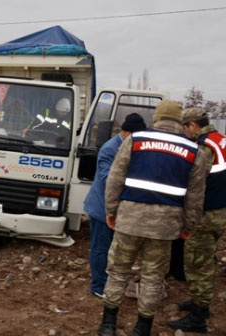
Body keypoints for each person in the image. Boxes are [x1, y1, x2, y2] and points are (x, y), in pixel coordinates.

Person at [96, 100, 207, 336]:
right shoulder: (194, 150)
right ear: (179, 120)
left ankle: (108, 325)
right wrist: (189, 226)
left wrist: (111, 211)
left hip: (129, 220)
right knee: (153, 277)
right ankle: (142, 328)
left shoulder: (134, 141)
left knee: (117, 272)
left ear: (157, 117)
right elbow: (196, 195)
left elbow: (115, 180)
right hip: (165, 226)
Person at [166, 107, 226, 333]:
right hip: (219, 211)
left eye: (185, 127)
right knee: (205, 259)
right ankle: (199, 302)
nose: (184, 132)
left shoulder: (203, 147)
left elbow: (194, 182)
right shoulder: (220, 140)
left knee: (197, 264)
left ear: (193, 125)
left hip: (205, 215)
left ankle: (199, 316)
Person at [84, 113, 147, 299]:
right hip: (101, 208)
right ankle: (98, 286)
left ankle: (110, 280)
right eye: (135, 135)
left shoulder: (133, 146)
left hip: (119, 209)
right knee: (100, 248)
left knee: (114, 248)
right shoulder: (110, 149)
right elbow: (107, 180)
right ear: (125, 132)